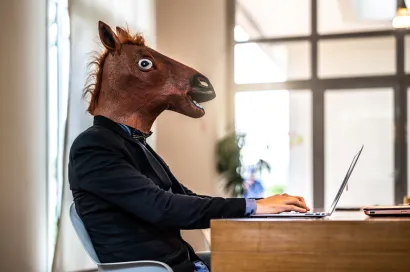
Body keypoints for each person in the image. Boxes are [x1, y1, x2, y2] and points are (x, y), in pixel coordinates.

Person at [69, 21, 310, 272]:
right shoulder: (93, 145)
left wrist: (261, 204)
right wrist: (254, 207)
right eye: (145, 65)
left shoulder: (135, 143)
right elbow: (162, 207)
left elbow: (184, 198)